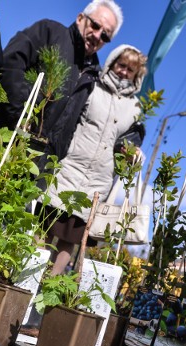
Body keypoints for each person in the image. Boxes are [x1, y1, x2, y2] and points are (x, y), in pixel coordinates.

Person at [42, 44, 148, 276]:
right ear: (112, 63)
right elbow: (68, 119)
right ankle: (27, 274)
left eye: (130, 70)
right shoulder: (91, 86)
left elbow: (127, 141)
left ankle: (51, 280)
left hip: (98, 181)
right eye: (121, 65)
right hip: (70, 166)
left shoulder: (135, 108)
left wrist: (132, 151)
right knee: (47, 224)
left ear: (136, 75)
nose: (123, 72)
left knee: (71, 235)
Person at [0, 0, 123, 150]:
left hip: (39, 165)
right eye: (95, 25)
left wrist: (58, 152)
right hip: (3, 140)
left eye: (105, 36)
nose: (98, 35)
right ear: (80, 18)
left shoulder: (93, 77)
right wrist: (18, 119)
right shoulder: (49, 32)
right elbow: (11, 63)